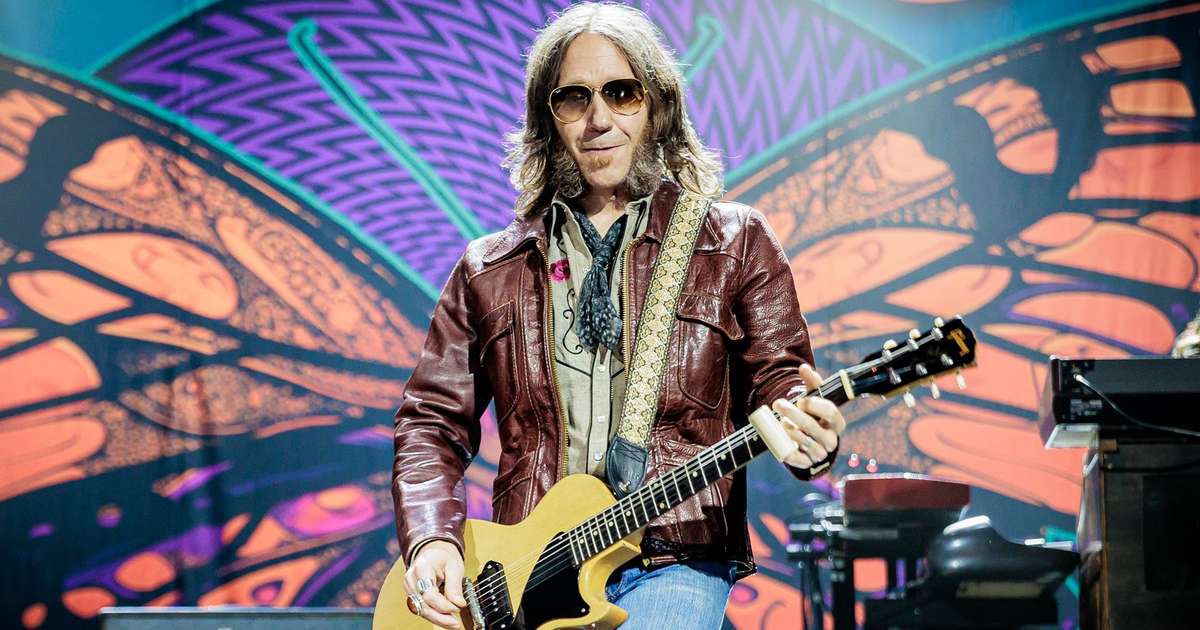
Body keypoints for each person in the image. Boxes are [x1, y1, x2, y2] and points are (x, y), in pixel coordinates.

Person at [392, 4, 846, 628]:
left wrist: (809, 435)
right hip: (525, 580)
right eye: (573, 99)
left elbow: (782, 382)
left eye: (622, 93)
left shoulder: (733, 241)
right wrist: (432, 539)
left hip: (674, 558)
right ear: (547, 118)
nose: (598, 119)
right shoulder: (489, 268)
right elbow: (431, 421)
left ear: (657, 107)